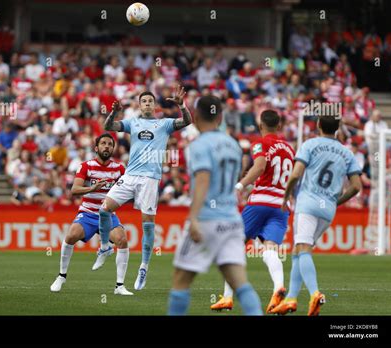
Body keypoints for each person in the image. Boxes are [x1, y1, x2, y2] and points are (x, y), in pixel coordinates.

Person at [167, 95, 262, 315]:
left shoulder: (198, 145)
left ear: (197, 116)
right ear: (220, 117)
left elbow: (203, 180)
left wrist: (193, 218)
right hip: (232, 221)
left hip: (207, 219)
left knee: (181, 281)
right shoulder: (233, 145)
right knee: (240, 283)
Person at [98, 85, 192, 291]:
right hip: (130, 176)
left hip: (150, 178)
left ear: (155, 105)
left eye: (150, 101)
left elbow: (187, 121)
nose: (147, 104)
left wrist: (182, 106)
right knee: (104, 208)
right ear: (139, 105)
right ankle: (105, 247)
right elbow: (109, 127)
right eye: (144, 101)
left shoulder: (164, 124)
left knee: (147, 223)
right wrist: (114, 112)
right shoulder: (132, 122)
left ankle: (143, 267)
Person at [271, 115, 362, 316]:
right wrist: (336, 202)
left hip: (308, 203)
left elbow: (295, 174)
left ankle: (315, 294)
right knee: (299, 250)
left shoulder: (310, 144)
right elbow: (356, 187)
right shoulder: (347, 153)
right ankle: (291, 299)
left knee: (302, 248)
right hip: (327, 209)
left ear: (318, 126)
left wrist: (286, 196)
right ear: (337, 128)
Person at [211, 109, 295, 313]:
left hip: (260, 202)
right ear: (280, 126)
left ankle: (228, 298)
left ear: (260, 126)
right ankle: (278, 288)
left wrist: (238, 186)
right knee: (270, 248)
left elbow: (258, 167)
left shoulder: (260, 143)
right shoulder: (290, 149)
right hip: (281, 205)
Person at [50, 133, 133, 295]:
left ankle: (119, 286)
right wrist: (92, 189)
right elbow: (74, 190)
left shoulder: (119, 168)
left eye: (110, 144)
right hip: (88, 213)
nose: (107, 146)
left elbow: (127, 190)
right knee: (71, 235)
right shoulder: (86, 166)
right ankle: (61, 276)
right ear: (96, 148)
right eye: (103, 143)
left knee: (122, 240)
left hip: (107, 214)